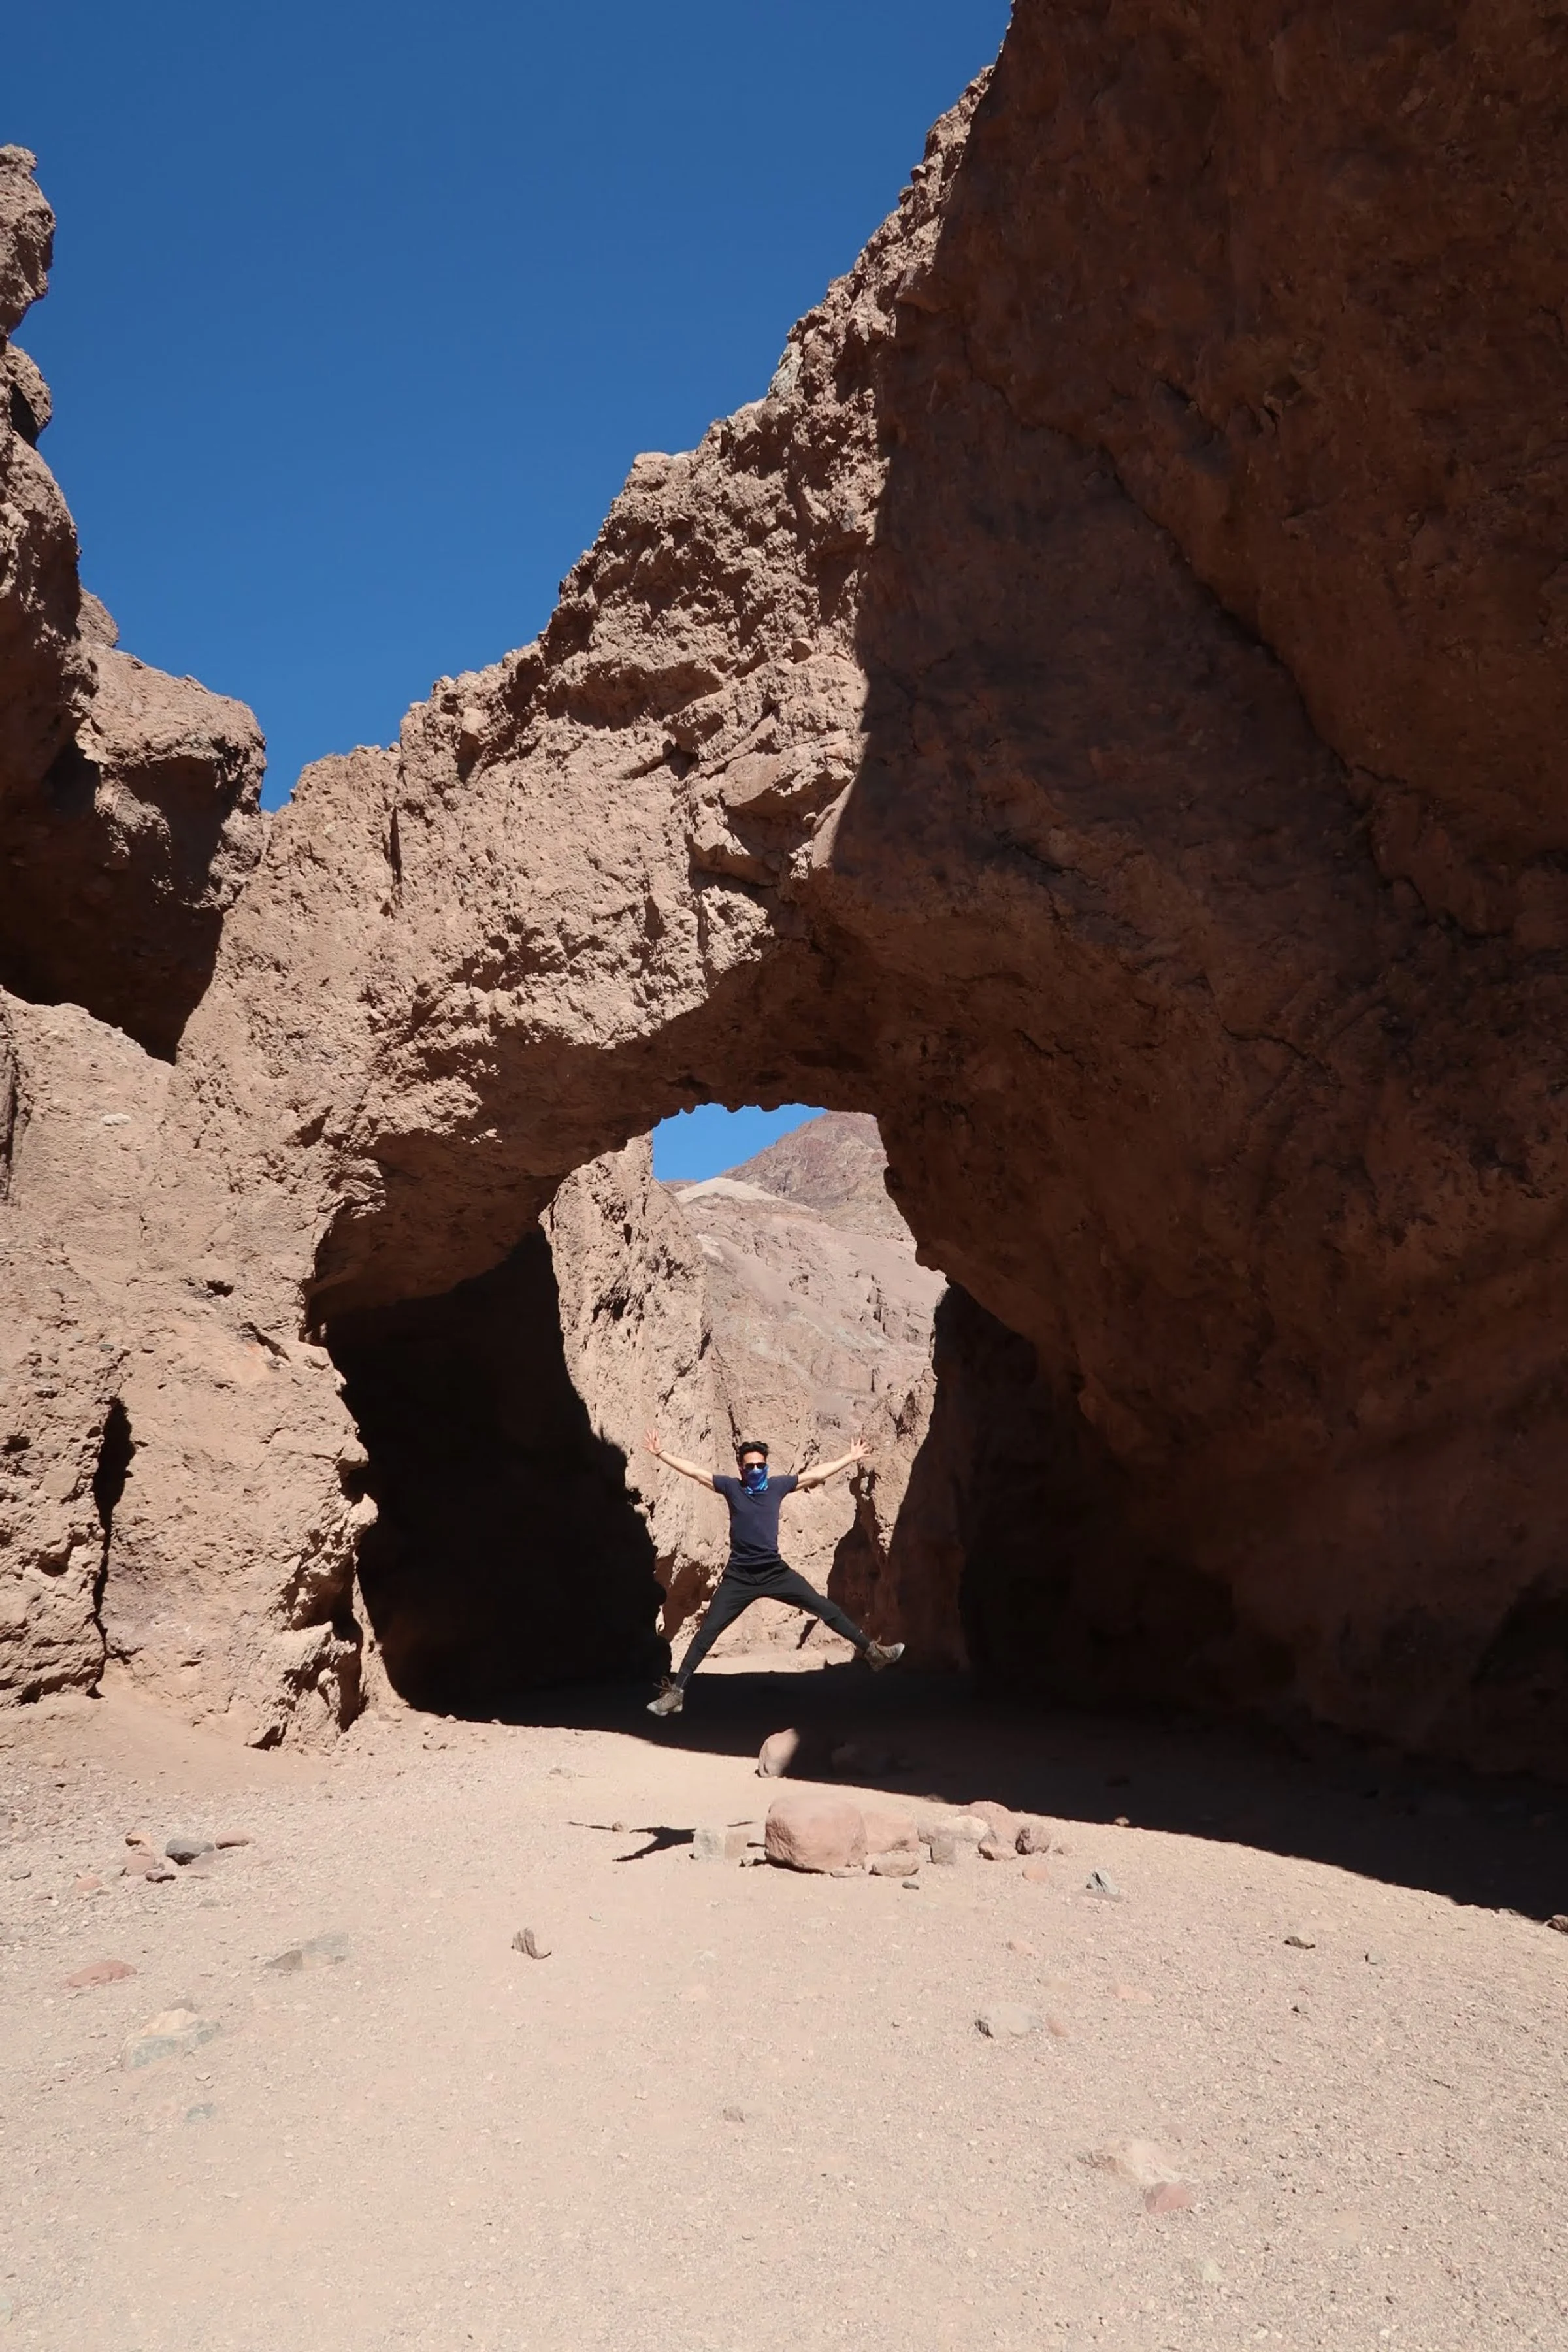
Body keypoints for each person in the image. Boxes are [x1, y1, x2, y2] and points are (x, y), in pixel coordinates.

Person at [640, 1430, 904, 1716]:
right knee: (707, 1633)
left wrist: (849, 1458)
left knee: (825, 1608)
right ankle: (676, 1693)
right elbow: (697, 1473)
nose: (755, 1470)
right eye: (750, 1466)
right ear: (741, 1468)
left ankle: (874, 1653)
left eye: (760, 1466)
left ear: (767, 1467)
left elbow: (813, 1475)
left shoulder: (777, 1487)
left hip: (775, 1572)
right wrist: (661, 1454)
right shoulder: (732, 1487)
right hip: (739, 1576)